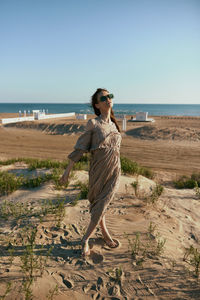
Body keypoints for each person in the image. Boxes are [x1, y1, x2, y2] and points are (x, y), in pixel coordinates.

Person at [59, 88, 122, 256]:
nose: (108, 99)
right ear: (97, 104)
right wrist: (66, 172)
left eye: (110, 96)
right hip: (98, 171)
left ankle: (91, 236)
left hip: (114, 170)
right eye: (104, 98)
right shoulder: (93, 124)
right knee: (99, 204)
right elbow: (80, 148)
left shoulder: (115, 124)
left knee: (103, 204)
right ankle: (89, 238)